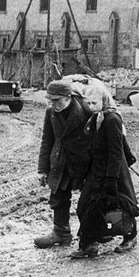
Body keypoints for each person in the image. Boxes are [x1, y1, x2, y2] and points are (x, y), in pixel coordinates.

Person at [72, 84, 139, 258]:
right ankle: (90, 243)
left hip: (113, 171)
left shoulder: (111, 119)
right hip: (97, 171)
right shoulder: (96, 118)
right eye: (88, 102)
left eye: (94, 102)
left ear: (104, 100)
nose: (90, 106)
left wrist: (111, 178)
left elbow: (116, 151)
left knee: (122, 204)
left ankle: (130, 237)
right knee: (86, 206)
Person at [34, 80, 93, 248]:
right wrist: (43, 169)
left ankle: (94, 230)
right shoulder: (51, 112)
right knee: (58, 196)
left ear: (68, 97)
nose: (53, 104)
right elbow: (47, 140)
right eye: (50, 101)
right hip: (60, 160)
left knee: (90, 198)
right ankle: (61, 233)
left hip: (83, 161)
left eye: (57, 100)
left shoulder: (85, 109)